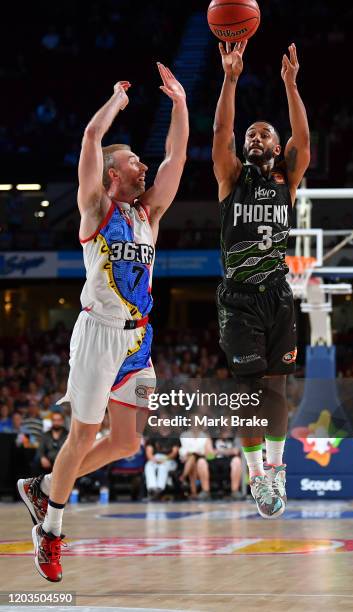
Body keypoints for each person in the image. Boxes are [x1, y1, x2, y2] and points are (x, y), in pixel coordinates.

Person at [18, 63, 189, 582]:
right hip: (96, 335)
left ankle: (45, 487)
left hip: (138, 339)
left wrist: (180, 104)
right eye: (136, 160)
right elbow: (92, 136)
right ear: (114, 173)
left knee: (127, 442)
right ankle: (50, 530)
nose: (145, 165)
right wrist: (117, 98)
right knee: (82, 434)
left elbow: (178, 156)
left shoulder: (148, 215)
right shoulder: (96, 208)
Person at [212, 41, 310, 518]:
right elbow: (221, 131)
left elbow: (304, 142)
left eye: (264, 135)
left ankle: (276, 470)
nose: (255, 138)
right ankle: (256, 476)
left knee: (277, 389)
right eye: (251, 134)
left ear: (276, 147)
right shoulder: (230, 177)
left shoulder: (286, 182)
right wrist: (230, 79)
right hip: (238, 298)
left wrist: (291, 86)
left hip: (276, 293)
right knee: (248, 393)